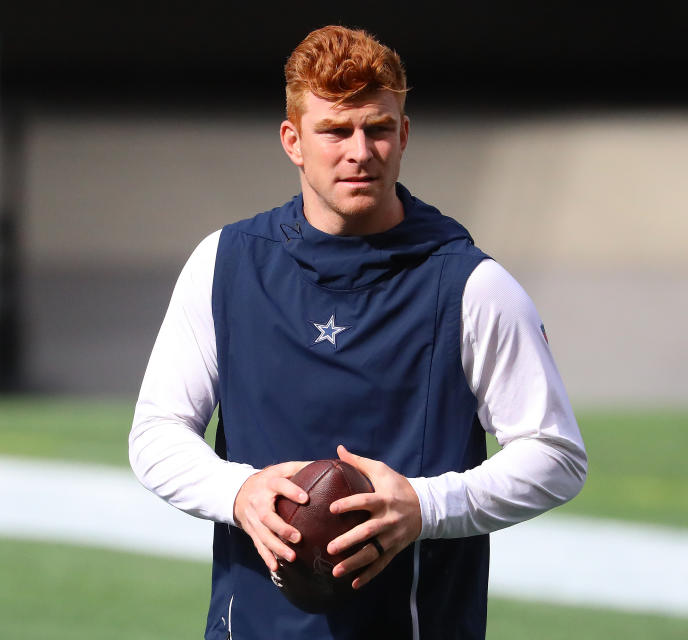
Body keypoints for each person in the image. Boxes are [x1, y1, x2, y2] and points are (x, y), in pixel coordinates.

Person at [129, 25, 586, 639]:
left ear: (403, 135)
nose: (360, 151)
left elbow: (555, 457)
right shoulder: (224, 264)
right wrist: (238, 491)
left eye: (376, 128)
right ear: (293, 140)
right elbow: (156, 433)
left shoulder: (472, 285)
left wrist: (425, 508)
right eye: (335, 131)